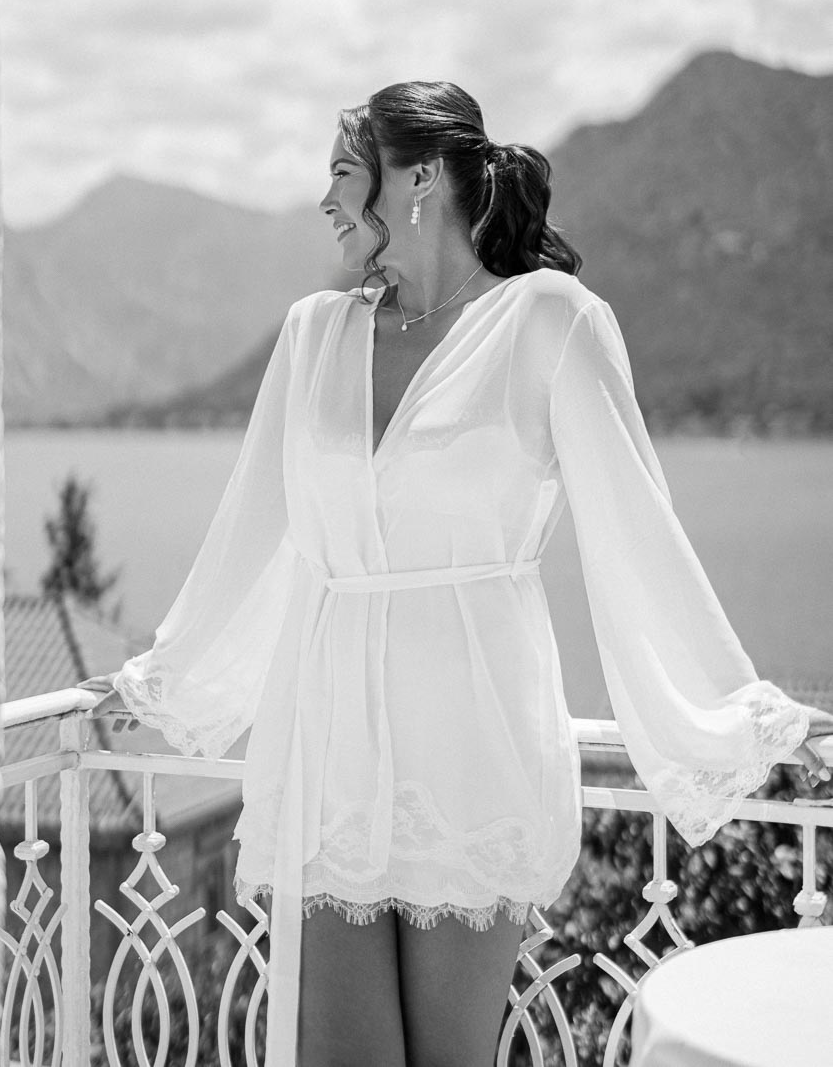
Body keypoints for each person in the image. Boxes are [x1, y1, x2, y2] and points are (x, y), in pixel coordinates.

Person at [88, 81, 832, 1067]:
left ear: (421, 180)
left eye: (342, 176)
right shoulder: (314, 333)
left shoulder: (550, 322)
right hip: (329, 758)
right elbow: (253, 537)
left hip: (472, 755)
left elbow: (637, 536)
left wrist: (743, 721)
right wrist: (157, 685)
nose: (323, 204)